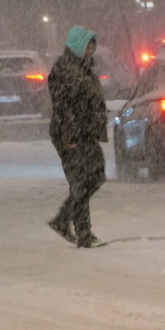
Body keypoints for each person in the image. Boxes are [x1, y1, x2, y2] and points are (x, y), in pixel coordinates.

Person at [47, 25, 108, 248]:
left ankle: (63, 219)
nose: (91, 50)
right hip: (70, 135)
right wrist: (69, 136)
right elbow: (63, 106)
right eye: (87, 45)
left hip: (85, 133)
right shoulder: (63, 70)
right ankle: (84, 234)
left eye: (92, 45)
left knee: (97, 175)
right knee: (81, 182)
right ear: (76, 45)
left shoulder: (84, 69)